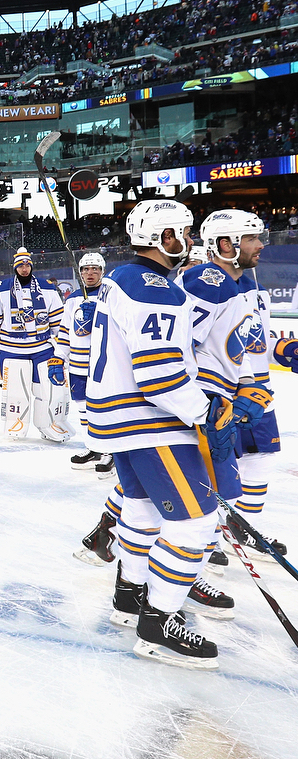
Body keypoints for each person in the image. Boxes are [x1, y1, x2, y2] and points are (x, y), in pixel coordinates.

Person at [87, 199, 238, 669]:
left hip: (120, 421)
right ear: (163, 237)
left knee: (142, 511)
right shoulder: (155, 289)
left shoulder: (123, 277)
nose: (189, 241)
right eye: (183, 233)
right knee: (195, 523)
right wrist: (204, 411)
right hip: (151, 422)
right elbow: (157, 374)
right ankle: (158, 622)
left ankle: (129, 596)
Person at [200, 211, 286, 559]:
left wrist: (284, 349)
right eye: (252, 238)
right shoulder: (204, 287)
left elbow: (255, 340)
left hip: (258, 394)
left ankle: (240, 529)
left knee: (262, 457)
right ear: (226, 244)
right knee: (212, 472)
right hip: (223, 396)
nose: (261, 244)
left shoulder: (253, 287)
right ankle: (205, 541)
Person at [0, 247, 70, 442]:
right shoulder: (2, 289)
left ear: (31, 266)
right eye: (20, 266)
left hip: (42, 348)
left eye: (27, 265)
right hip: (11, 349)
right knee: (15, 392)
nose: (24, 269)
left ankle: (51, 424)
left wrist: (64, 348)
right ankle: (15, 423)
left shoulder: (47, 288)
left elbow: (59, 324)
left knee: (50, 389)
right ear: (15, 267)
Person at [51, 252, 111, 474]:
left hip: (103, 365)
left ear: (102, 272)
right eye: (86, 269)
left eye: (95, 269)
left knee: (103, 408)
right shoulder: (73, 299)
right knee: (83, 408)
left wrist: (99, 316)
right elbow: (65, 331)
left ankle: (109, 451)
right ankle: (93, 446)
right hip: (77, 365)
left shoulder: (111, 297)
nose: (90, 273)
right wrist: (58, 357)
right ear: (80, 273)